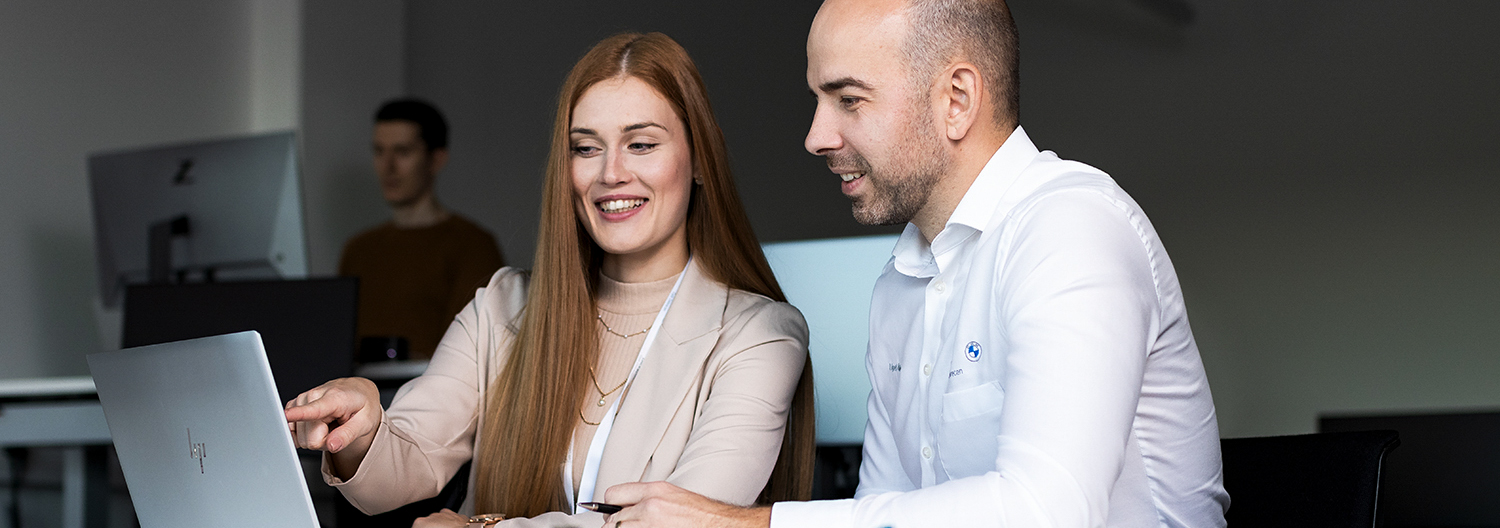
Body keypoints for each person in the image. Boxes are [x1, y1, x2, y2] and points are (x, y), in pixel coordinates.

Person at [602, 0, 1229, 527]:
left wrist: (755, 524)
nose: (815, 136)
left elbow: (1048, 510)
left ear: (956, 99)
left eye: (848, 99)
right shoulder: (899, 286)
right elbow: (886, 509)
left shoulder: (1070, 228)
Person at [285, 32, 816, 527]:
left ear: (700, 159)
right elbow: (405, 463)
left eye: (642, 144)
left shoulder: (760, 335)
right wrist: (360, 432)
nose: (611, 173)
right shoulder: (500, 307)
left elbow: (677, 523)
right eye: (586, 148)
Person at [340, 98, 505, 360]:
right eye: (379, 151)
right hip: (355, 392)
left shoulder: (472, 245)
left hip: (432, 393)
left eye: (403, 152)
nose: (388, 166)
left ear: (435, 159)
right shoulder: (359, 249)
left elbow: (468, 353)